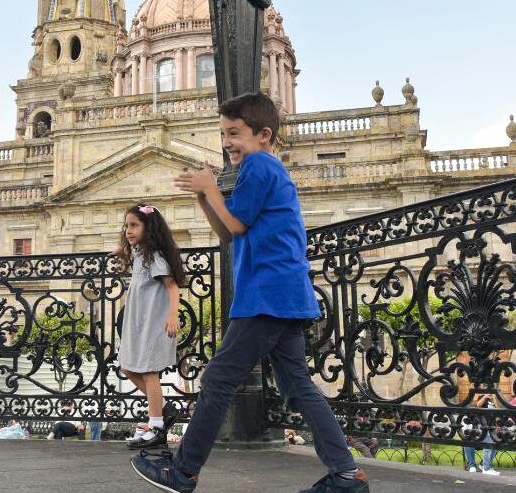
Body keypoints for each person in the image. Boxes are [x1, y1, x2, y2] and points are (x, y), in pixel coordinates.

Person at [130, 92, 369, 493]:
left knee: (220, 378)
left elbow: (237, 226)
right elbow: (227, 230)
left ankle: (183, 471)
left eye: (235, 133)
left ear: (264, 134)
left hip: (266, 294)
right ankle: (345, 474)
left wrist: (210, 189)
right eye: (223, 133)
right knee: (298, 386)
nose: (227, 141)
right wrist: (205, 196)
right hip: (285, 295)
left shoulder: (259, 165)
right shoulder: (265, 170)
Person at [113, 203, 186, 449]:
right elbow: (132, 255)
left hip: (154, 322)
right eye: (126, 226)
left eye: (134, 225)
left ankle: (156, 426)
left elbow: (172, 286)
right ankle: (164, 408)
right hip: (139, 322)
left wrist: (173, 316)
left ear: (149, 228)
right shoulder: (141, 253)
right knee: (127, 367)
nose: (128, 231)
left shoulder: (154, 256)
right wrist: (121, 251)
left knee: (148, 372)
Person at [461, 394, 500, 476]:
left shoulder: (489, 409)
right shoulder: (472, 414)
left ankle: (485, 465)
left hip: (488, 432)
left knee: (495, 445)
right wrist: (484, 397)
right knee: (468, 442)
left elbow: (495, 413)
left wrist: (493, 398)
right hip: (475, 437)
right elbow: (478, 405)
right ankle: (474, 466)